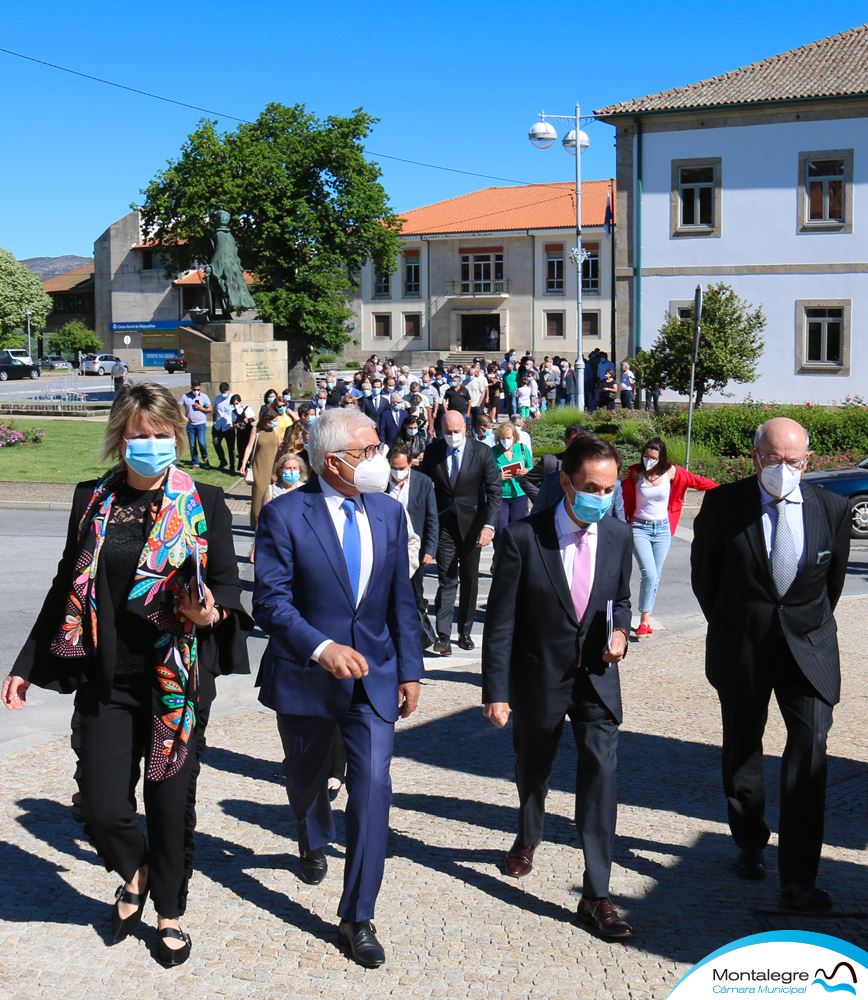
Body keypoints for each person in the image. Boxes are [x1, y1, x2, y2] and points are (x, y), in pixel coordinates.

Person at [2, 383, 252, 966]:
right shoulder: (92, 500)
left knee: (170, 804)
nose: (152, 446)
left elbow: (229, 586)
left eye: (162, 436)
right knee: (102, 805)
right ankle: (135, 874)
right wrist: (26, 664)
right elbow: (68, 582)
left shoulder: (206, 501)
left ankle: (169, 913)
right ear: (121, 439)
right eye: (140, 436)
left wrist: (209, 612)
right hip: (107, 679)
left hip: (176, 683)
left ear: (176, 437)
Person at [253, 408, 424, 969]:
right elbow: (270, 602)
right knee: (305, 781)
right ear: (335, 462)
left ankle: (357, 916)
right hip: (306, 678)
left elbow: (401, 597)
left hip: (373, 678)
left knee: (373, 788)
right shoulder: (284, 515)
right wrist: (321, 648)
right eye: (369, 450)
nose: (381, 458)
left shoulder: (388, 514)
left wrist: (410, 670)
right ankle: (309, 831)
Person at [691, 418, 851, 913]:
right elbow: (705, 582)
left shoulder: (833, 509)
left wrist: (805, 625)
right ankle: (749, 840)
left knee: (810, 754)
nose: (786, 469)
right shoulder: (723, 506)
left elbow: (833, 583)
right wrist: (738, 625)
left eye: (795, 460)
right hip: (743, 646)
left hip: (809, 649)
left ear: (809, 458)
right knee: (743, 746)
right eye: (776, 459)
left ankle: (799, 879)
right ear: (756, 457)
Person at [481, 434, 634, 941]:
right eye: (591, 486)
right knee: (534, 764)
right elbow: (501, 622)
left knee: (601, 776)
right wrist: (496, 691)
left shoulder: (617, 536)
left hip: (596, 679)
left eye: (610, 488)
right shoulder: (524, 538)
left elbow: (622, 602)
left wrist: (620, 635)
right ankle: (528, 834)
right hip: (538, 677)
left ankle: (597, 894)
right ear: (566, 483)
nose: (601, 496)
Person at [419, 410, 501, 655]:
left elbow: (494, 493)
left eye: (456, 432)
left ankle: (464, 631)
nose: (452, 436)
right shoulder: (434, 451)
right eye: (447, 432)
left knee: (469, 579)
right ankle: (443, 635)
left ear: (465, 428)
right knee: (446, 580)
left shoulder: (482, 452)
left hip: (473, 527)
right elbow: (423, 486)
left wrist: (488, 526)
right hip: (444, 525)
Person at [621, 437, 717, 636]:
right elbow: (617, 491)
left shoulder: (672, 472)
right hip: (639, 527)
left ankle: (645, 621)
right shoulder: (635, 473)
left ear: (662, 458)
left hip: (663, 529)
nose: (649, 460)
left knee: (655, 575)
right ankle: (643, 618)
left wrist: (724, 490)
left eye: (654, 457)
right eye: (646, 456)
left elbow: (698, 482)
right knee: (650, 573)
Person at [386, 443, 439, 625]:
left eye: (402, 468)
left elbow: (432, 517)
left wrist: (430, 549)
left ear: (410, 464)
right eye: (394, 468)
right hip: (387, 547)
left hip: (414, 548)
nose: (398, 472)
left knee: (415, 591)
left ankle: (417, 627)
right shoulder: (380, 484)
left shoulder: (422, 482)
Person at [240, 407, 281, 529]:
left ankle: (271, 524)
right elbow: (249, 447)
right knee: (258, 496)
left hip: (273, 467)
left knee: (273, 496)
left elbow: (279, 445)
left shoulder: (275, 429)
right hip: (259, 466)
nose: (274, 422)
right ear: (265, 420)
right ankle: (257, 525)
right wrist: (243, 463)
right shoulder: (256, 430)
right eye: (272, 420)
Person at [492, 421, 532, 540]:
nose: (505, 440)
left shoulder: (522, 449)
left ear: (514, 436)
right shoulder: (492, 452)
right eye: (502, 438)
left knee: (518, 529)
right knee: (501, 529)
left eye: (508, 437)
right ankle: (500, 555)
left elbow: (530, 466)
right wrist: (498, 476)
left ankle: (517, 555)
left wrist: (526, 471)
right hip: (501, 496)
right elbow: (487, 473)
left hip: (520, 494)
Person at [523, 423, 584, 502]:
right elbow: (525, 480)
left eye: (581, 440)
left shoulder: (591, 464)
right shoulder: (550, 461)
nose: (578, 443)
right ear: (566, 441)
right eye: (575, 439)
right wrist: (541, 498)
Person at [179, 381, 212, 469]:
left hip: (201, 424)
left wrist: (201, 408)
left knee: (201, 442)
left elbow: (210, 409)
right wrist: (184, 418)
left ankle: (205, 458)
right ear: (191, 388)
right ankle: (195, 463)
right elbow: (178, 407)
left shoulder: (204, 396)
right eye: (194, 389)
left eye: (198, 389)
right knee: (192, 445)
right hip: (190, 425)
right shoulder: (185, 396)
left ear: (200, 388)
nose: (196, 391)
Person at [212, 382, 236, 475]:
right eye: (222, 392)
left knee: (231, 448)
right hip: (218, 425)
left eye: (225, 391)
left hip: (229, 426)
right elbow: (214, 411)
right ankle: (222, 460)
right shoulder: (217, 398)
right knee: (216, 442)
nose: (224, 393)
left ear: (229, 390)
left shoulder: (233, 398)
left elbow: (238, 410)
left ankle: (232, 467)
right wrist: (214, 421)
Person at [230, 393, 256, 474]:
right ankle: (242, 469)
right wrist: (236, 425)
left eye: (237, 403)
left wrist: (248, 420)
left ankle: (250, 466)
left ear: (241, 402)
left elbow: (255, 418)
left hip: (249, 431)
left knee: (250, 449)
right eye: (234, 404)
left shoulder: (247, 408)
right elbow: (233, 424)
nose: (235, 405)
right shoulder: (233, 412)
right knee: (241, 451)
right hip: (240, 433)